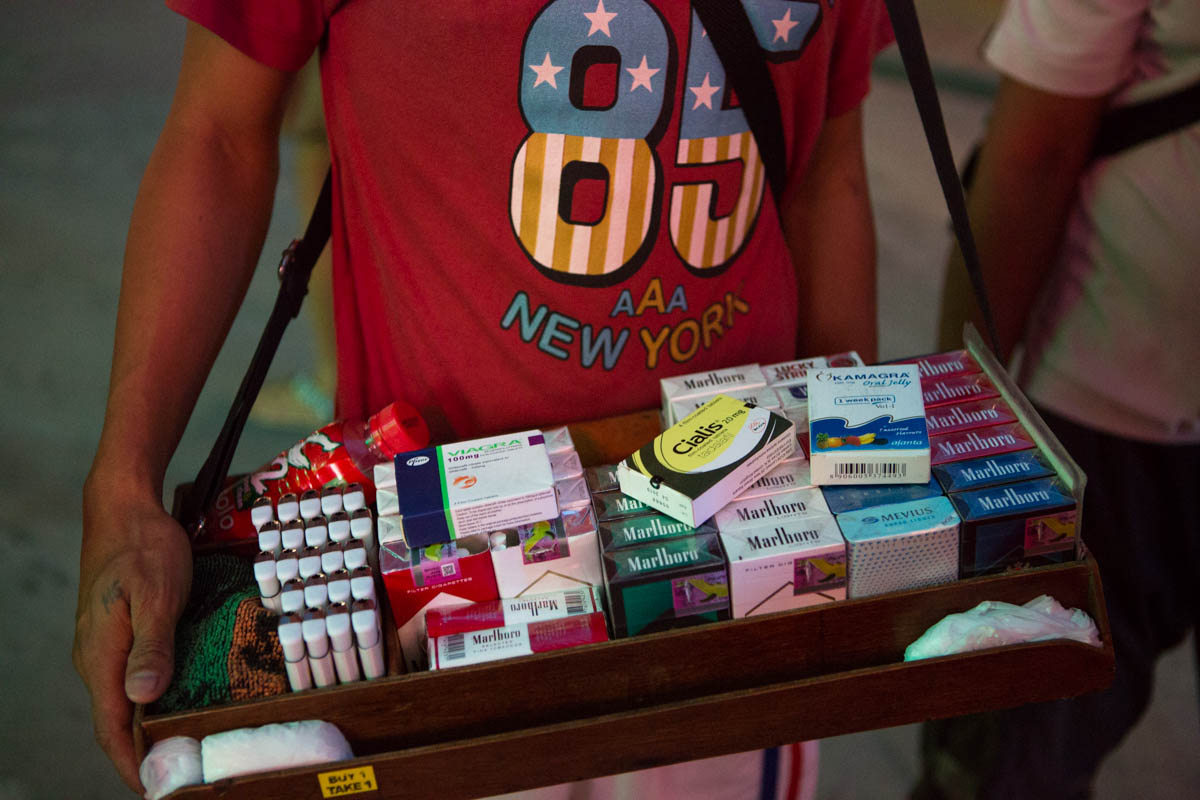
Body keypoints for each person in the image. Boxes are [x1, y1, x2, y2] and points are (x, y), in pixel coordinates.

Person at [75, 1, 892, 795]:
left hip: (750, 564)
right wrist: (120, 490)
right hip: (430, 596)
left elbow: (829, 172)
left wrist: (864, 486)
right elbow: (218, 135)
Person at [919, 0, 1200, 797]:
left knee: (1020, 750)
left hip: (1112, 393)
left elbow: (1032, 150)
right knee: (1018, 753)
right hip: (1101, 416)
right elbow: (1032, 154)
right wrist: (962, 425)